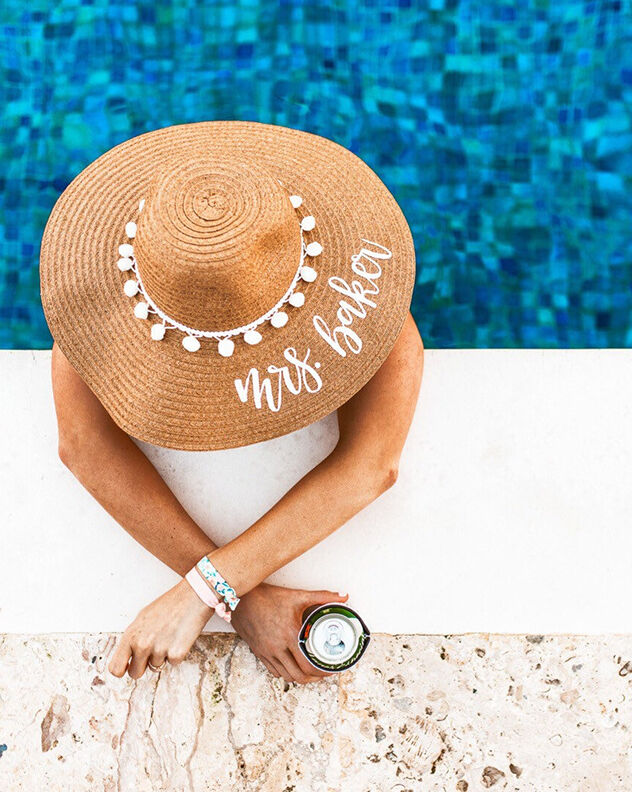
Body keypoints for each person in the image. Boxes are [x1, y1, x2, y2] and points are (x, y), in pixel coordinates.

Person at [39, 120, 422, 684]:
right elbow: (84, 446)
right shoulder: (126, 284)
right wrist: (235, 598)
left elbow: (372, 466)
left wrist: (205, 589)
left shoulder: (361, 293)